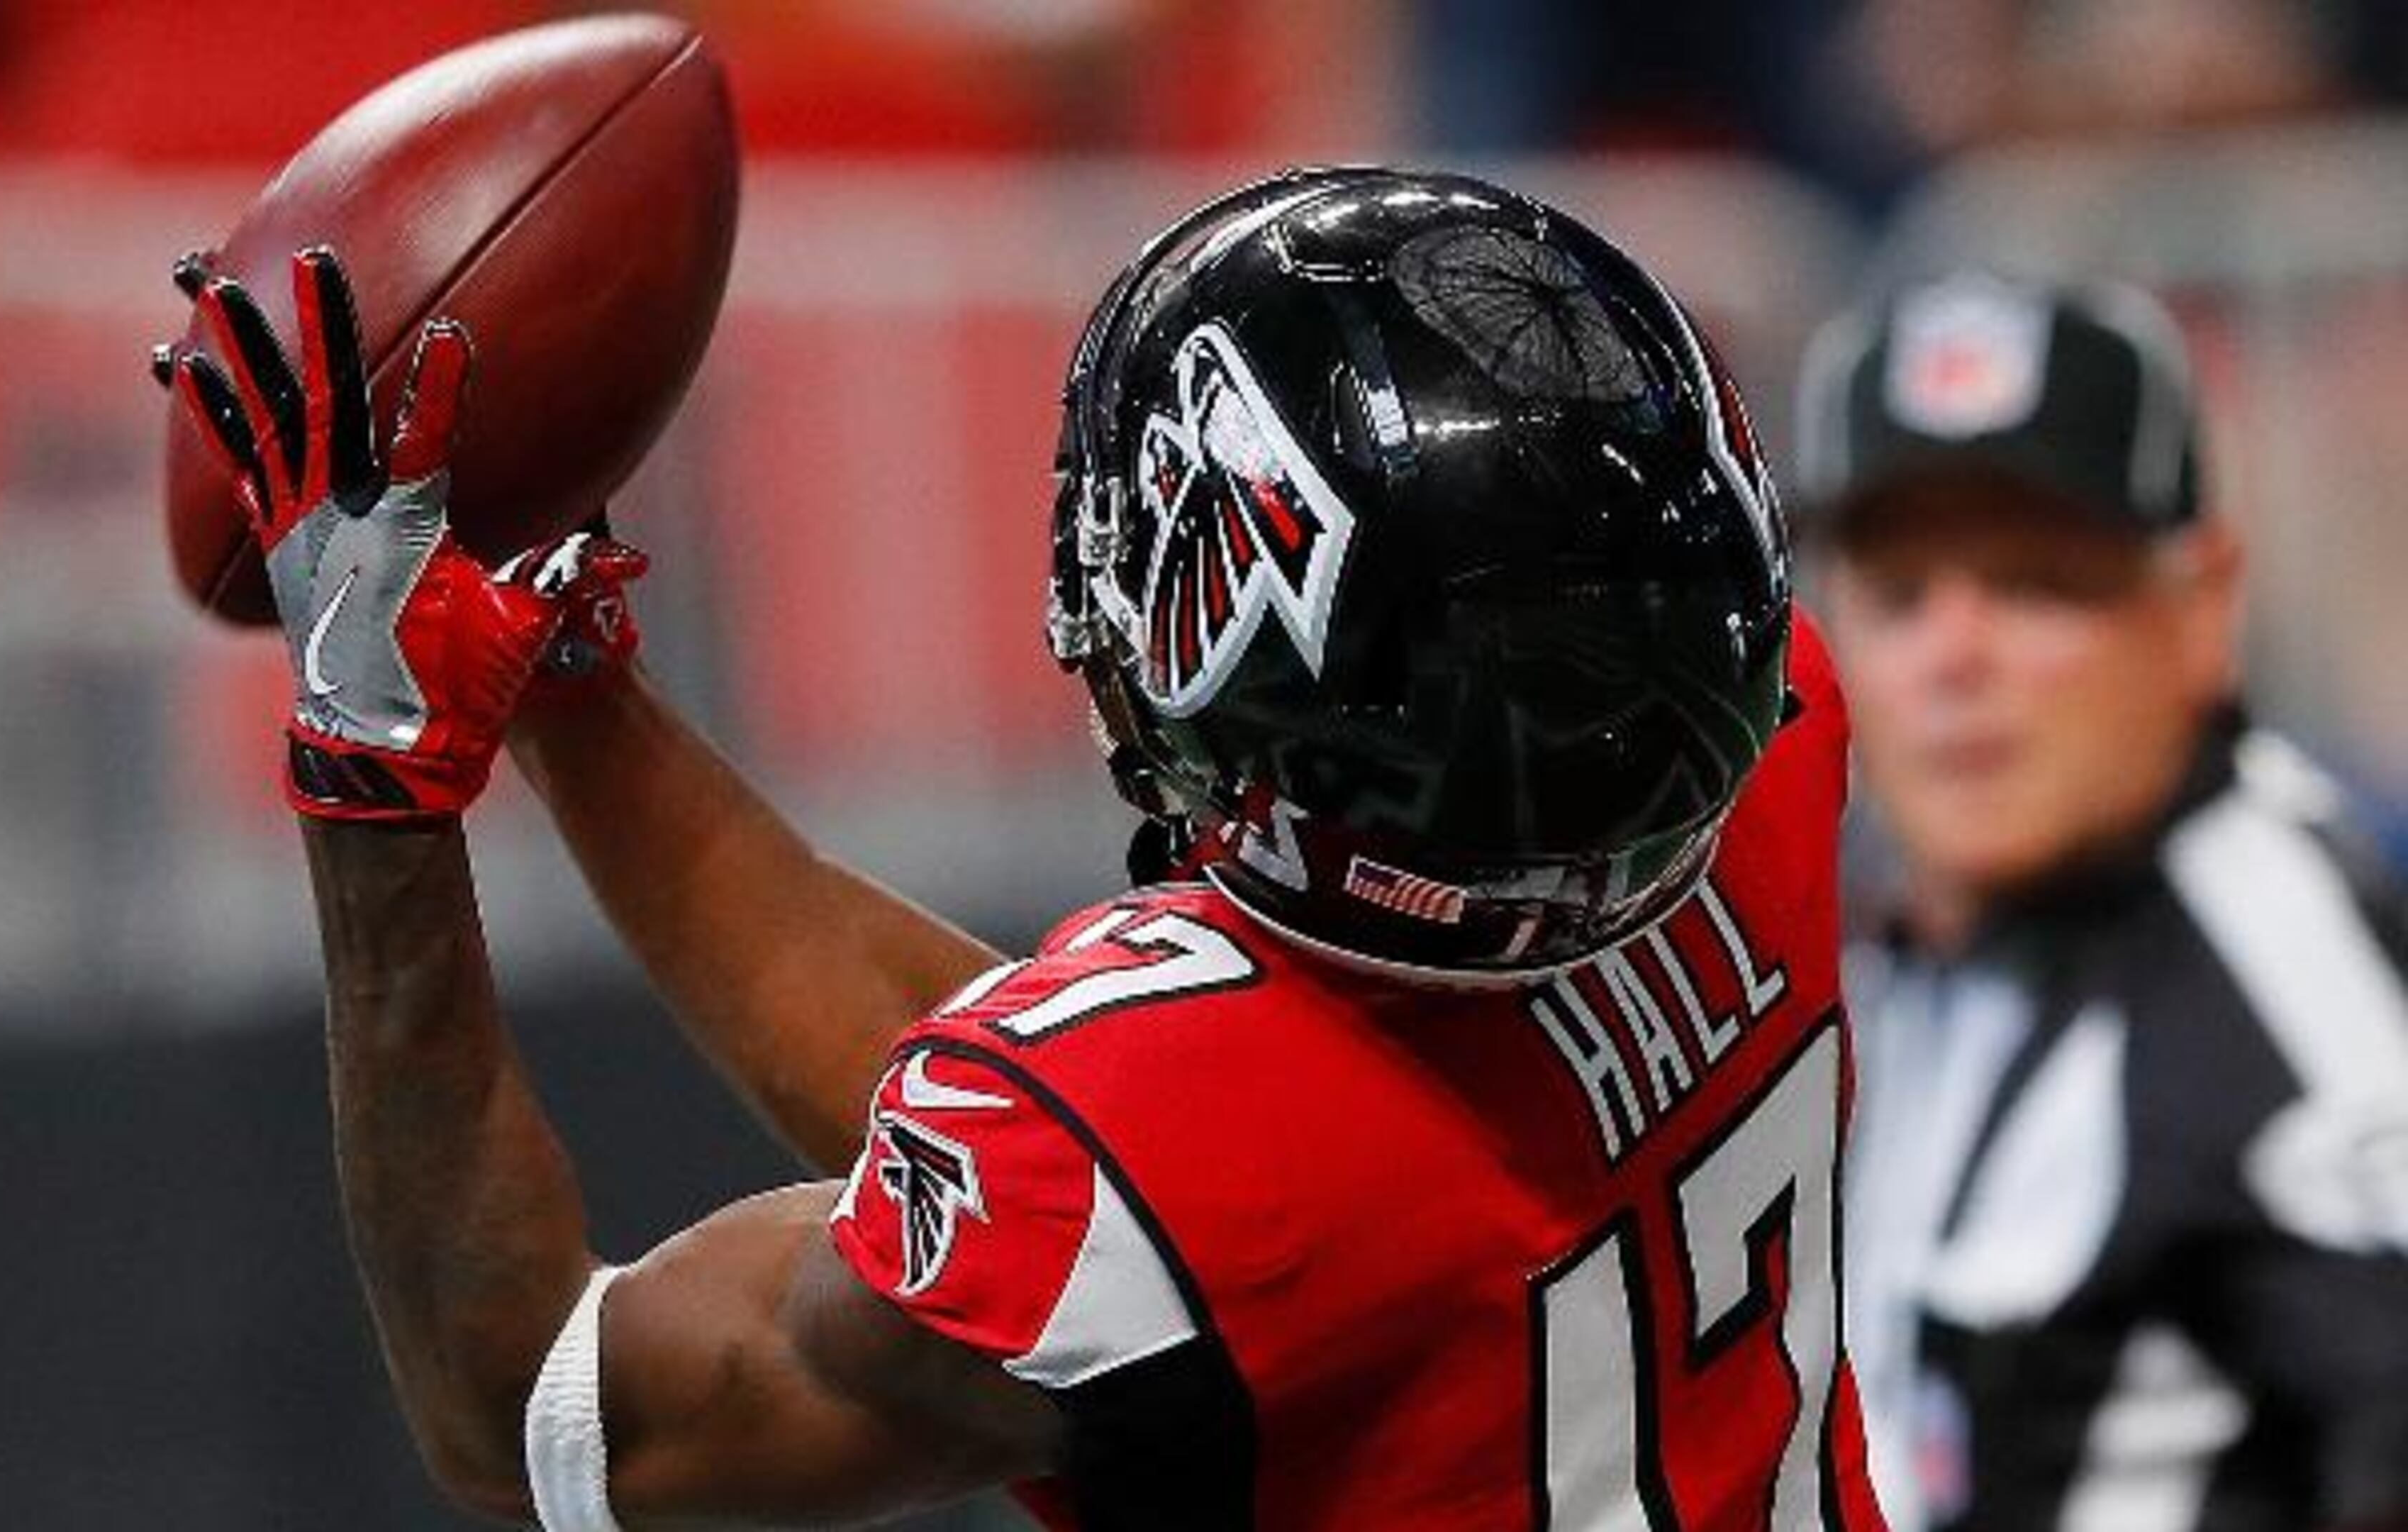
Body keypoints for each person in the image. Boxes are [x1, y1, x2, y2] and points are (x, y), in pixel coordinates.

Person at [157, 167, 1888, 1528]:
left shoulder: (1175, 1169)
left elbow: (527, 1401)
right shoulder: (1779, 739)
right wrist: (576, 694)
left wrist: (374, 791)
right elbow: (1130, 1106)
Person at [1796, 269, 2408, 1532]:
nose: (1955, 657)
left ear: (2202, 609)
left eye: (2035, 583)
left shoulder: (2276, 968)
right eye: (1901, 596)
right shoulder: (1915, 942)